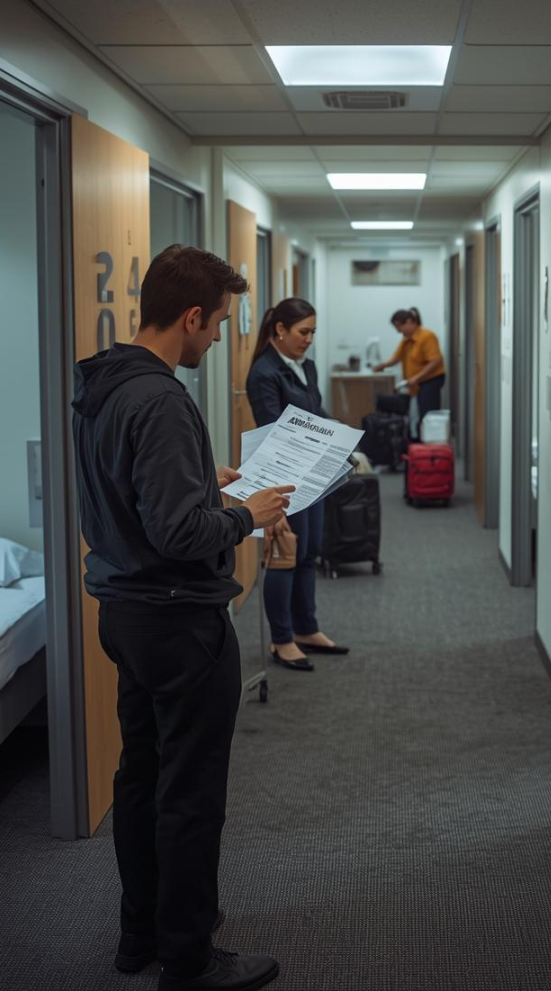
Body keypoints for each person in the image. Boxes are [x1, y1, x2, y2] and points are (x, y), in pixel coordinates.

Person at [72, 244, 293, 991]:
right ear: (191, 317)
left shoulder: (104, 381)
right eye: (220, 324)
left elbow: (135, 493)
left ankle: (141, 935)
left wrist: (205, 480)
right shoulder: (162, 398)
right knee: (191, 793)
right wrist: (243, 511)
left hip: (125, 612)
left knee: (140, 777)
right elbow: (178, 533)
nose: (220, 338)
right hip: (178, 621)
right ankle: (191, 957)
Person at [247, 298, 349, 671]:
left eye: (312, 333)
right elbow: (272, 435)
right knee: (284, 556)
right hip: (283, 479)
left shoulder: (306, 366)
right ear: (280, 331)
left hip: (313, 474)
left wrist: (337, 431)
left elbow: (314, 412)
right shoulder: (264, 373)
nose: (309, 340)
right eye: (303, 332)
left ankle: (307, 629)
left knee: (308, 554)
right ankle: (282, 639)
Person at [373, 307, 446, 424]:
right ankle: (418, 439)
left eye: (399, 326)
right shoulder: (406, 340)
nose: (398, 331)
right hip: (416, 383)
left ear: (409, 322)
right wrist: (382, 365)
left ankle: (428, 441)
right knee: (417, 415)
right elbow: (397, 357)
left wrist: (416, 378)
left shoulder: (427, 336)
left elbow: (435, 361)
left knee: (427, 415)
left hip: (430, 380)